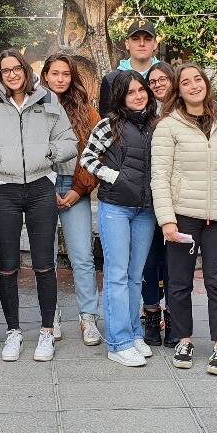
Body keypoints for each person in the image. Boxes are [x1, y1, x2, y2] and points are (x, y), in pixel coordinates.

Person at [0, 49, 77, 362]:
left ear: (25, 69)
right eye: (5, 71)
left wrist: (46, 155)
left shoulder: (46, 99)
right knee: (7, 266)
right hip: (4, 189)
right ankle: (13, 331)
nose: (12, 74)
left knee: (44, 264)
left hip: (41, 188)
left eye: (16, 68)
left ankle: (46, 331)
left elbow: (69, 141)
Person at [151, 63, 217, 375]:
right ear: (178, 90)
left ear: (206, 84)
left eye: (198, 79)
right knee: (179, 282)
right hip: (183, 216)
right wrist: (167, 220)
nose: (193, 85)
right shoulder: (168, 126)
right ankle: (184, 339)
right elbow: (160, 176)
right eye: (186, 82)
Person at [80, 71, 157, 367]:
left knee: (135, 275)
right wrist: (116, 178)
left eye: (142, 90)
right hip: (116, 208)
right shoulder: (109, 125)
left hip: (145, 211)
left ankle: (134, 333)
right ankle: (118, 341)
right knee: (116, 275)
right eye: (130, 92)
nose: (138, 96)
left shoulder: (154, 124)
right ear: (120, 97)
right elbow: (88, 158)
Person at [40, 53, 102, 346]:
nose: (61, 79)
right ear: (45, 76)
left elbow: (97, 152)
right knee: (46, 257)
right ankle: (50, 317)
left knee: (82, 257)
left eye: (66, 74)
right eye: (55, 74)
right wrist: (44, 186)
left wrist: (79, 189)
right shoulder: (34, 108)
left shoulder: (87, 111)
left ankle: (88, 317)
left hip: (76, 187)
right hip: (43, 187)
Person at [142, 62, 175, 346]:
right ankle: (151, 313)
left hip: (181, 199)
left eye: (163, 79)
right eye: (152, 82)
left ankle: (175, 315)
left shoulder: (186, 111)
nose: (158, 85)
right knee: (150, 261)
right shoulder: (145, 114)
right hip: (150, 198)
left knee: (175, 262)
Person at [98, 18, 160, 116]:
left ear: (155, 44)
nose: (142, 44)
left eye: (147, 39)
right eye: (135, 39)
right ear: (127, 44)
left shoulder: (168, 76)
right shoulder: (111, 80)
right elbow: (107, 118)